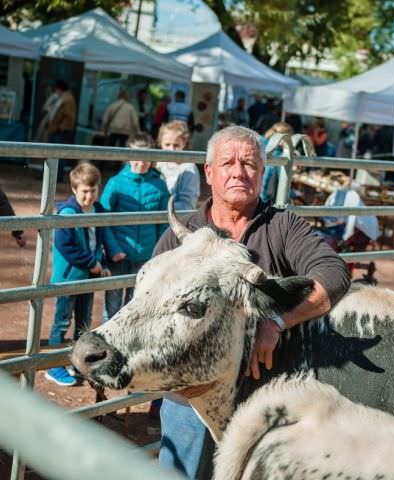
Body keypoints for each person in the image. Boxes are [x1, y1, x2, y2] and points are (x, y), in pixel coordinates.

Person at [153, 125, 351, 478]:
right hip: (192, 398)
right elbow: (150, 309)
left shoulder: (282, 226)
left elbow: (334, 274)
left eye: (249, 164)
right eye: (228, 162)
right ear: (209, 172)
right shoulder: (181, 237)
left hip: (262, 397)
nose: (239, 172)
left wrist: (276, 320)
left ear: (262, 173)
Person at [46, 163, 115, 386]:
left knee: (83, 321)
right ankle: (54, 366)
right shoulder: (67, 213)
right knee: (62, 321)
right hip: (69, 277)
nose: (89, 195)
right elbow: (66, 246)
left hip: (89, 276)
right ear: (75, 189)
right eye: (85, 191)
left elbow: (100, 240)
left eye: (93, 190)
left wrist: (101, 263)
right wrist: (91, 263)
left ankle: (77, 363)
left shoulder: (99, 210)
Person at [100, 133, 169, 321]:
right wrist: (113, 249)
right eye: (137, 157)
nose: (141, 163)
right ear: (129, 156)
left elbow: (163, 223)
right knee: (112, 306)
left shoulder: (159, 185)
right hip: (118, 255)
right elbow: (103, 220)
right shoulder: (115, 183)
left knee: (136, 305)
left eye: (147, 158)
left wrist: (158, 252)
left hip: (146, 256)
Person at [156, 120, 200, 210]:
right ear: (161, 143)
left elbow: (188, 204)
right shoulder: (157, 164)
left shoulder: (189, 168)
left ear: (183, 144)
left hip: (176, 220)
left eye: (176, 145)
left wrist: (160, 208)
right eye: (167, 144)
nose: (171, 149)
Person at [47, 79, 77, 182]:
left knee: (59, 154)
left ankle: (57, 177)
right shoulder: (64, 98)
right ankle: (52, 177)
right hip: (57, 130)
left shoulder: (68, 99)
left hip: (60, 132)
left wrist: (60, 128)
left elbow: (69, 117)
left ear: (59, 88)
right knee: (54, 154)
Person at [260, 121, 293, 204]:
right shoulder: (276, 150)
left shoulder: (262, 142)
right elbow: (281, 174)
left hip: (259, 189)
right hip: (265, 191)